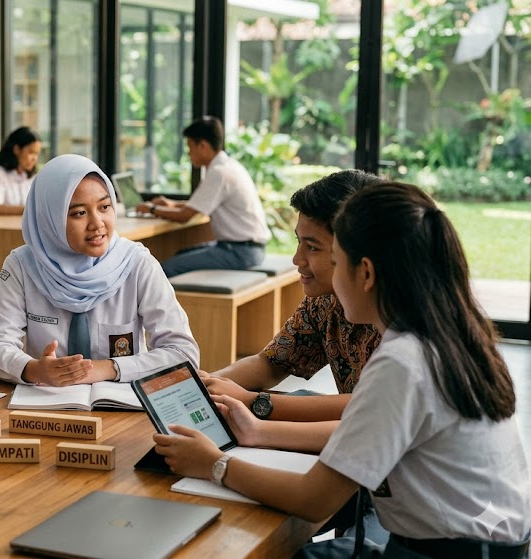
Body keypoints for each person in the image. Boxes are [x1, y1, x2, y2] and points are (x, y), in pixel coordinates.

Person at [154, 182, 531, 558]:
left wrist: (214, 464)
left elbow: (312, 499)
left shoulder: (403, 362)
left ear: (365, 273)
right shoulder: (448, 333)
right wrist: (255, 429)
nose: (305, 263)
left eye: (334, 258)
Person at [0, 154, 199, 385]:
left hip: (123, 407)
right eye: (79, 213)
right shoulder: (22, 266)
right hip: (48, 407)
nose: (97, 223)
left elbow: (184, 353)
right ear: (49, 218)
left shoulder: (136, 263)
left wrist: (108, 368)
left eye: (104, 207)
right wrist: (34, 370)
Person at [205, 170, 385, 439]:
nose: (296, 259)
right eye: (298, 242)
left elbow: (373, 409)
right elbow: (274, 362)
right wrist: (206, 385)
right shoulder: (325, 300)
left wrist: (255, 405)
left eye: (312, 247)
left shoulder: (404, 318)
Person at [135, 116, 270, 277]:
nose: (189, 153)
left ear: (203, 146)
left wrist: (153, 209)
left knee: (164, 269)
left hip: (240, 252)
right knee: (181, 253)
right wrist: (170, 204)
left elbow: (185, 216)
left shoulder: (219, 173)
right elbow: (199, 204)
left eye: (190, 147)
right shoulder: (228, 165)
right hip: (245, 248)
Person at [0, 126, 41, 218]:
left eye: (37, 154)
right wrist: (29, 210)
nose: (34, 158)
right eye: (31, 152)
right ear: (16, 150)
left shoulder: (30, 178)